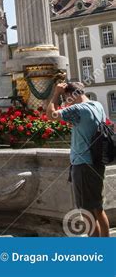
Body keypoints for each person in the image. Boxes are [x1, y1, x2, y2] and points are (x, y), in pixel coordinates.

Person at [48, 81, 110, 238]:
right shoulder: (97, 105)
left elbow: (50, 115)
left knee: (86, 212)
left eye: (65, 97)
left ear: (71, 95)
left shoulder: (78, 109)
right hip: (97, 162)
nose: (64, 101)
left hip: (83, 165)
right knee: (98, 207)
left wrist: (55, 94)